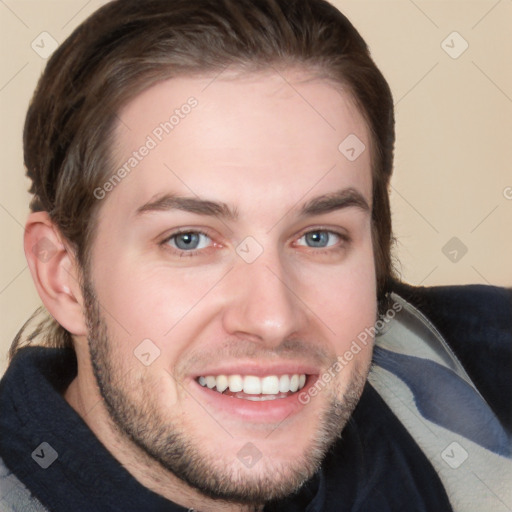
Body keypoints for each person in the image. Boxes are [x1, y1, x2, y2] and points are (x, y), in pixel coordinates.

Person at [0, 0, 510, 511]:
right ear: (64, 276)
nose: (273, 318)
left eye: (318, 237)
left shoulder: (482, 367)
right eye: (189, 240)